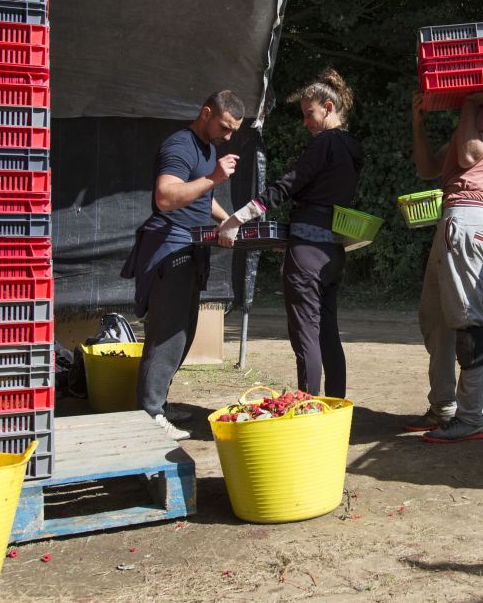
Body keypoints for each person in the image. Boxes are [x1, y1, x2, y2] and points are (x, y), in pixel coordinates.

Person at [217, 68, 363, 399]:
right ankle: (336, 407)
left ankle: (309, 408)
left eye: (308, 113)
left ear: (328, 108)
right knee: (328, 334)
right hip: (333, 252)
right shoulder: (353, 149)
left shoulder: (324, 144)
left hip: (307, 253)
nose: (305, 122)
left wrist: (238, 218)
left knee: (306, 337)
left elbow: (286, 186)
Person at [122, 91, 244, 440]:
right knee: (167, 336)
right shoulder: (179, 145)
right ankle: (149, 413)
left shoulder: (207, 149)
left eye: (233, 131)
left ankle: (159, 403)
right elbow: (166, 196)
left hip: (190, 251)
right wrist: (214, 179)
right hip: (168, 250)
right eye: (224, 127)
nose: (228, 137)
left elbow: (202, 200)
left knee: (183, 333)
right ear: (206, 113)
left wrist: (234, 221)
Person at [405, 88, 483, 443]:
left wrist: (469, 101)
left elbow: (469, 156)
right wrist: (418, 122)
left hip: (468, 217)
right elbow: (426, 168)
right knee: (435, 319)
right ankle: (444, 407)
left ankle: (472, 417)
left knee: (466, 321)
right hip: (452, 218)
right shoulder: (470, 122)